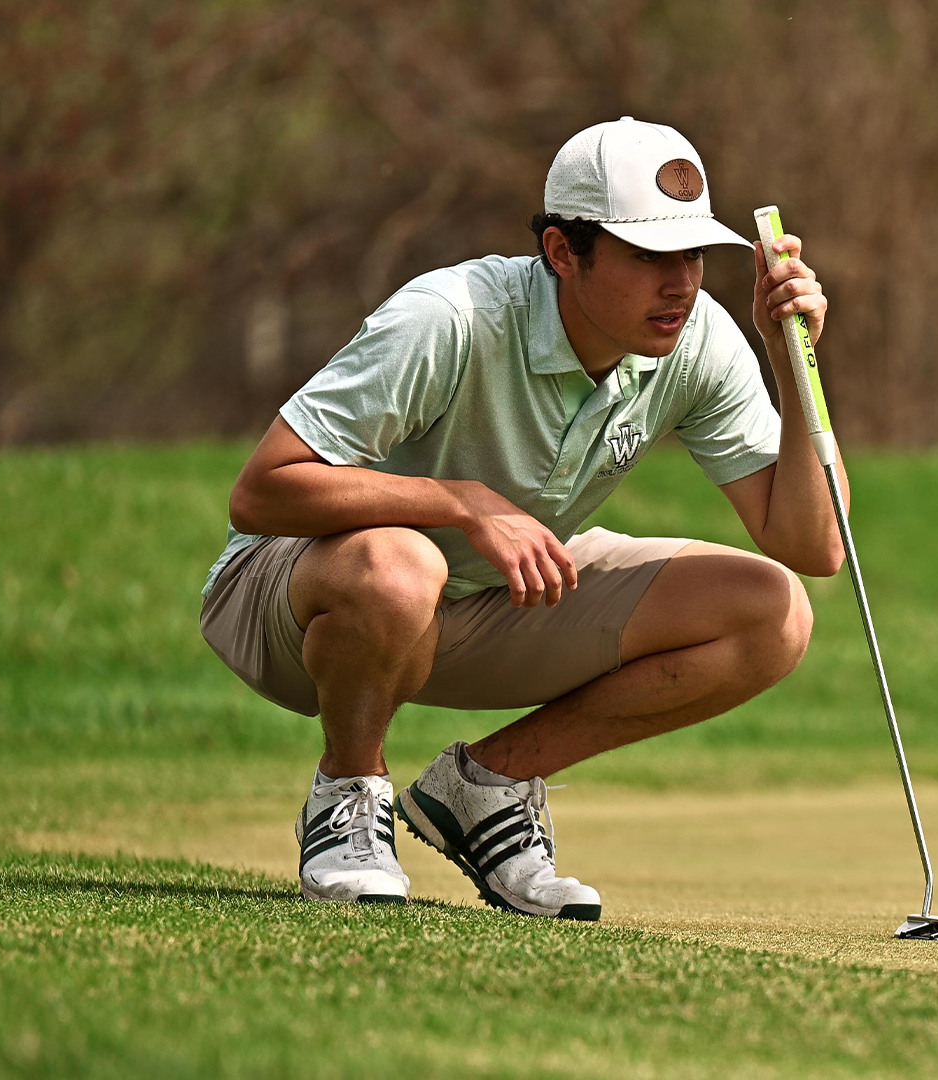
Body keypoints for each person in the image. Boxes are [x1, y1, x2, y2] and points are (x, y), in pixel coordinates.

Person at [199, 117, 844, 920]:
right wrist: (461, 502)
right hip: (289, 603)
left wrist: (793, 368)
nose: (680, 283)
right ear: (562, 253)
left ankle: (484, 791)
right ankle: (349, 791)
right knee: (403, 566)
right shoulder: (451, 316)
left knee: (772, 612)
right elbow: (263, 491)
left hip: (477, 604)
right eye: (649, 257)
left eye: (693, 254)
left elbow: (813, 544)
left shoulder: (698, 338)